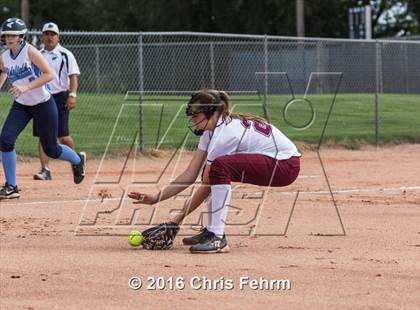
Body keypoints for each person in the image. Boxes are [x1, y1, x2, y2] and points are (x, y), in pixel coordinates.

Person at [128, 89, 301, 253]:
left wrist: (175, 220)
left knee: (218, 167)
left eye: (197, 114)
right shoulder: (210, 131)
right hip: (276, 161)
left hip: (285, 166)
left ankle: (218, 238)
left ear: (212, 113)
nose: (193, 119)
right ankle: (211, 231)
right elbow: (190, 174)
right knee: (212, 171)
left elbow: (206, 184)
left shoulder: (224, 135)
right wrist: (155, 198)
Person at [0, 17, 86, 199]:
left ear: (21, 37)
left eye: (13, 35)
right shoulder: (4, 57)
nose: (9, 38)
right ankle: (11, 186)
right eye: (6, 34)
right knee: (5, 140)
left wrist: (26, 87)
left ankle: (78, 160)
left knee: (51, 149)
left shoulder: (30, 52)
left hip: (43, 104)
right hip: (21, 105)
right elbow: (3, 71)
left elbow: (50, 74)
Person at [32, 22, 80, 181]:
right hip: (42, 97)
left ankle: (77, 162)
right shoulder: (37, 54)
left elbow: (73, 76)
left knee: (63, 136)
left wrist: (72, 95)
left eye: (53, 34)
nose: (49, 37)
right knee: (42, 134)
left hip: (60, 97)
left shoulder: (66, 54)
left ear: (58, 37)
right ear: (42, 37)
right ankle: (45, 169)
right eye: (46, 34)